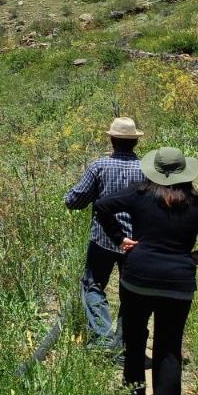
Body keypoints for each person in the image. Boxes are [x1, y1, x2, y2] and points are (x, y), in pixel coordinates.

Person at [94, 146, 198, 395]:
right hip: (178, 282)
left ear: (155, 171)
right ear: (185, 173)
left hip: (138, 277)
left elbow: (102, 206)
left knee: (135, 338)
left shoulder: (140, 194)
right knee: (169, 346)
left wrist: (119, 239)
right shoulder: (197, 204)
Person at [64, 116, 145, 349]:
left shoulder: (99, 167)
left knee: (93, 285)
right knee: (131, 294)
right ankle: (122, 345)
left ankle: (102, 337)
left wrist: (68, 199)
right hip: (136, 243)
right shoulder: (146, 170)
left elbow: (75, 200)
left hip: (103, 240)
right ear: (135, 143)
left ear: (112, 140)